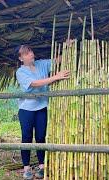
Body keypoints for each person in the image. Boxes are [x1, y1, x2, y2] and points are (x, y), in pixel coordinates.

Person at [15, 44, 70, 179]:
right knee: (26, 138)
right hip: (26, 109)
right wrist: (56, 77)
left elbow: (58, 60)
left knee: (40, 137)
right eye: (26, 53)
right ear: (21, 58)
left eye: (31, 51)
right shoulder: (20, 72)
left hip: (41, 107)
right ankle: (26, 168)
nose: (30, 54)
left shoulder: (41, 64)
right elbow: (34, 83)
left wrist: (67, 47)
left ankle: (41, 166)